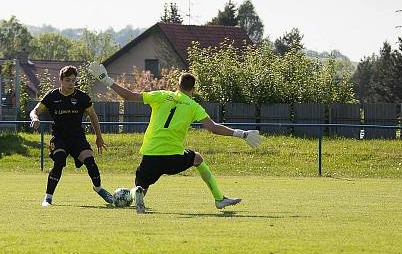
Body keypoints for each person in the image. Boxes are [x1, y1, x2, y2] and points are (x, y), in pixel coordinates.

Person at [89, 62, 263, 214]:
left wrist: (106, 79)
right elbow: (213, 128)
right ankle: (219, 198)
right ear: (193, 90)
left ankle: (137, 193)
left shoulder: (162, 95)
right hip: (174, 156)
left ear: (177, 86)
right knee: (198, 158)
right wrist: (242, 134)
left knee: (141, 187)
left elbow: (129, 96)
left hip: (151, 154)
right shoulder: (194, 106)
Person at [29, 65, 114, 207]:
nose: (71, 83)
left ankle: (99, 189)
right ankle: (48, 198)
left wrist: (99, 137)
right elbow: (35, 110)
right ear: (61, 80)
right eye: (68, 80)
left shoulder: (82, 97)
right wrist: (35, 118)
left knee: (90, 162)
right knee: (59, 162)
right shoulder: (52, 96)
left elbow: (92, 115)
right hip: (59, 137)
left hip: (77, 138)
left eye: (73, 80)